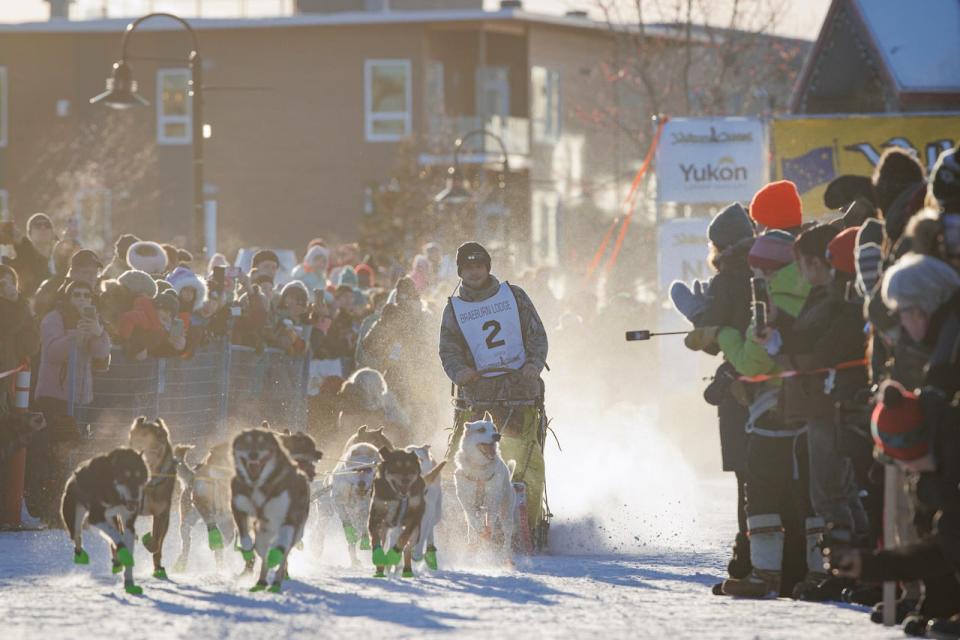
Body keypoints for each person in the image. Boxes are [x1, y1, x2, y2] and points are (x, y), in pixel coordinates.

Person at [438, 241, 549, 542]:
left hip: (520, 390)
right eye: (468, 267)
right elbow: (448, 350)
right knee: (459, 462)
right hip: (476, 394)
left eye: (479, 265)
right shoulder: (454, 309)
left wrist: (534, 366)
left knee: (524, 457)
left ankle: (528, 520)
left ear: (488, 267)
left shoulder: (513, 296)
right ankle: (457, 527)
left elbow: (537, 335)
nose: (474, 272)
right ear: (461, 271)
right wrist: (462, 373)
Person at [29, 279, 111, 524]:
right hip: (54, 397)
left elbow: (102, 355)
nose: (82, 300)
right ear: (68, 296)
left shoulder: (93, 319)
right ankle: (50, 509)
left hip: (81, 399)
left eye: (87, 295)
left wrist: (97, 332)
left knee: (75, 456)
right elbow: (53, 352)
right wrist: (76, 336)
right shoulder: (53, 318)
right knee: (57, 455)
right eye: (77, 294)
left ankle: (72, 509)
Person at [1, 213, 56, 297]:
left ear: (52, 233)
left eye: (47, 225)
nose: (43, 227)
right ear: (29, 233)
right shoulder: (20, 260)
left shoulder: (59, 260)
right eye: (38, 225)